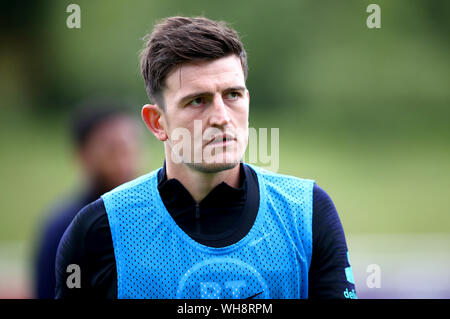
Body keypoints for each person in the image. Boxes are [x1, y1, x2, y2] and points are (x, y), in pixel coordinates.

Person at [55, 16, 357, 299]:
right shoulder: (99, 230)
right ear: (158, 122)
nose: (221, 117)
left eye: (233, 95)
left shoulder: (307, 213)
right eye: (197, 100)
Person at [34, 100, 140, 298]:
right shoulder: (64, 228)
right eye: (112, 149)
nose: (124, 159)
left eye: (130, 146)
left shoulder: (154, 216)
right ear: (82, 155)